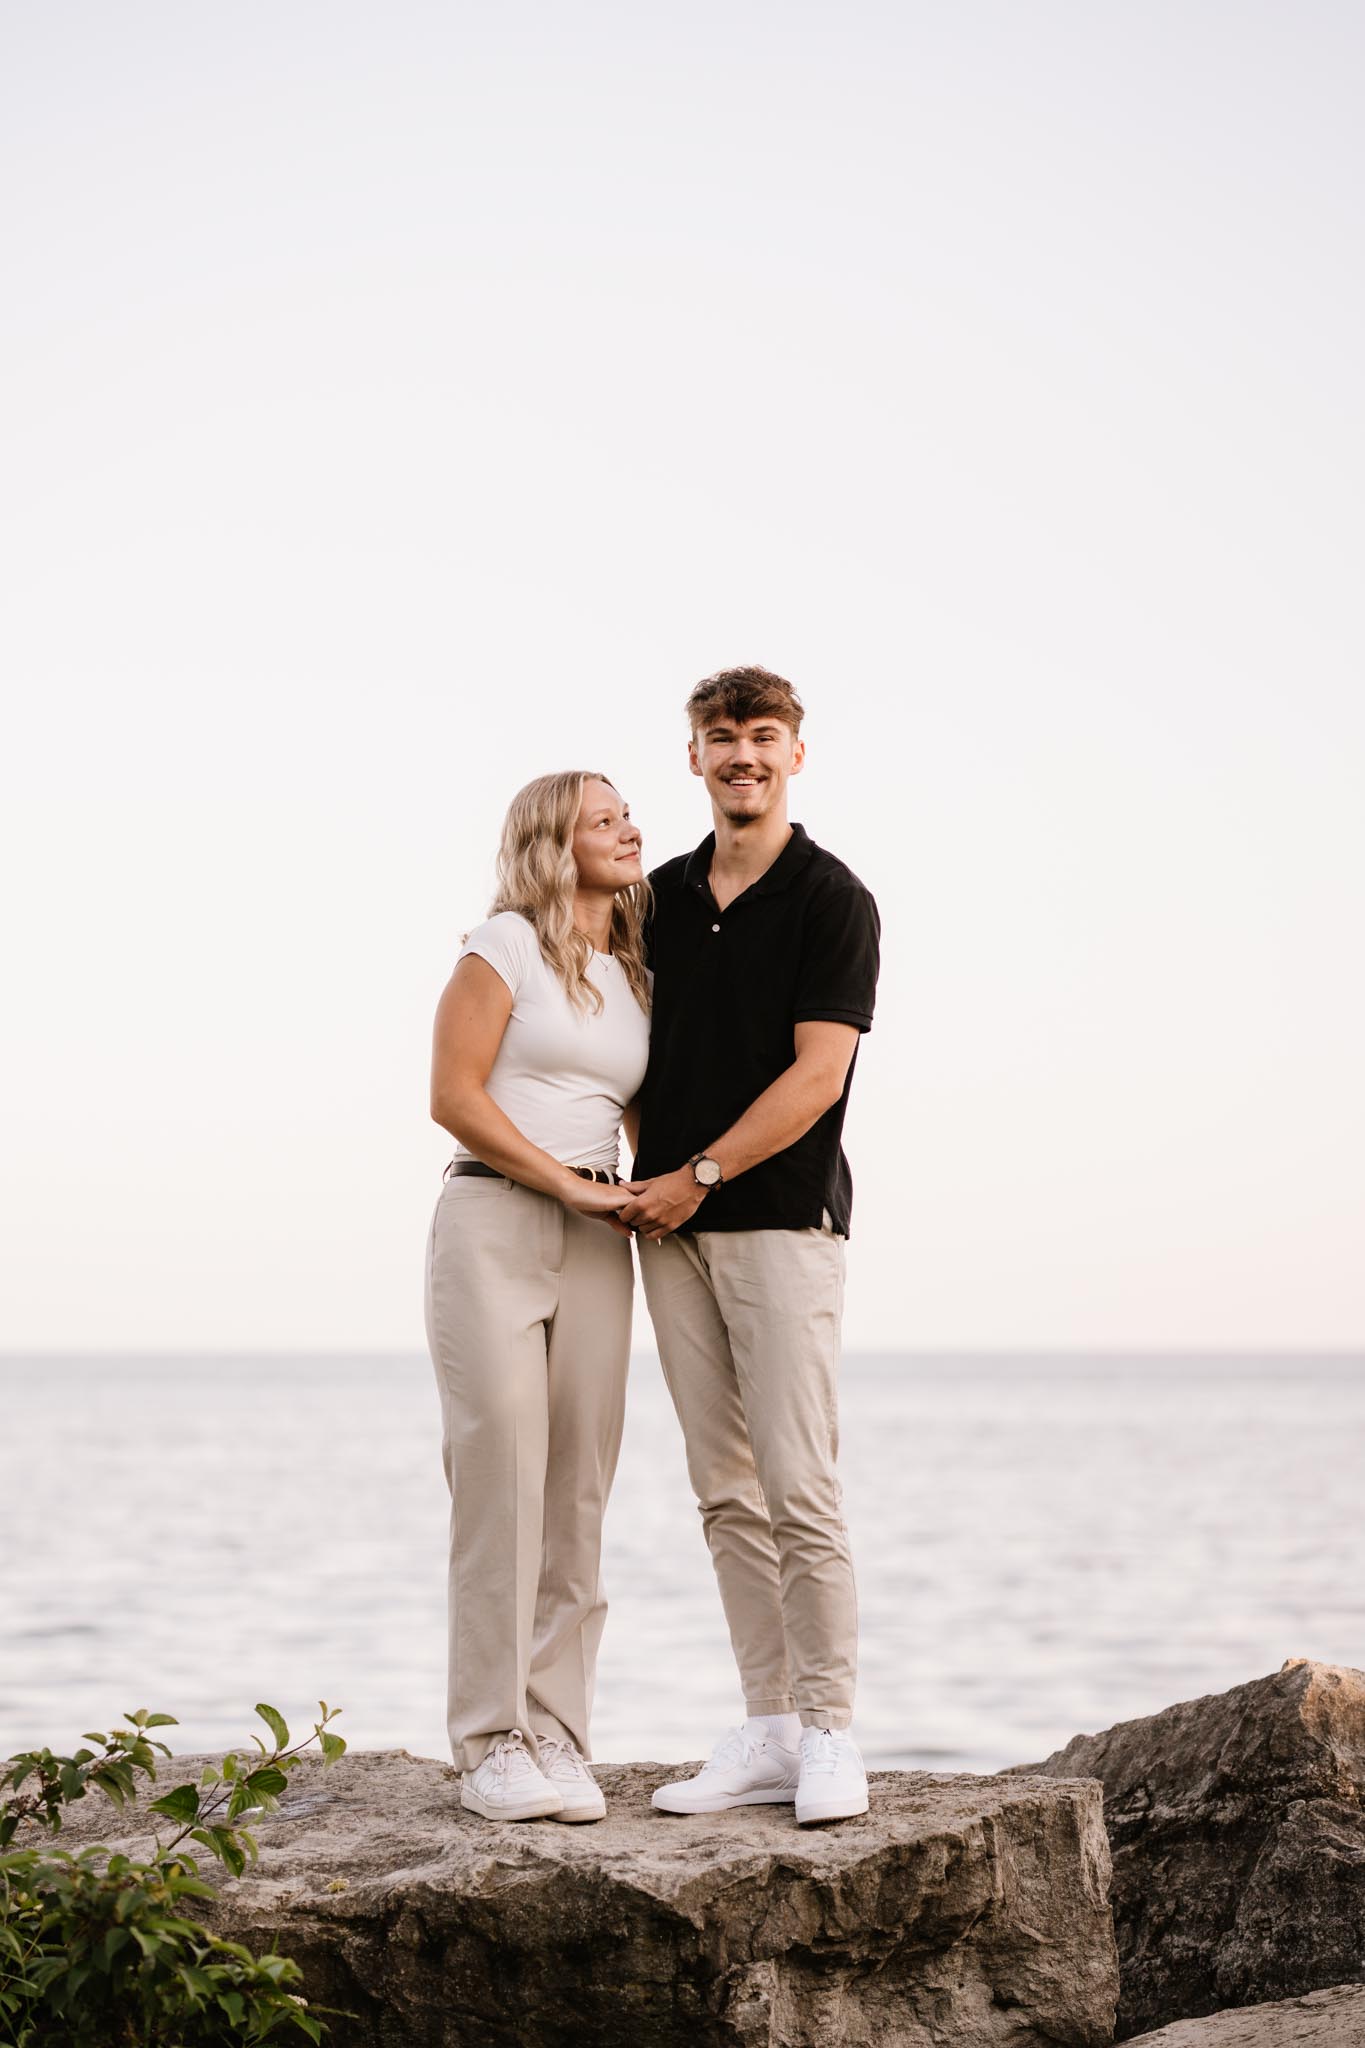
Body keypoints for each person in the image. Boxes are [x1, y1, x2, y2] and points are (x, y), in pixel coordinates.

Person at [620, 666, 880, 1825]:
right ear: (693, 758)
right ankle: (769, 1725)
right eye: (721, 737)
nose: (743, 755)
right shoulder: (658, 899)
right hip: (668, 1231)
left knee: (799, 1485)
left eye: (763, 736)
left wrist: (696, 1173)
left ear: (795, 755)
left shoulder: (833, 897)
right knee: (723, 1489)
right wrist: (645, 1173)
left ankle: (830, 1730)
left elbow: (819, 1075)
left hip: (776, 1217)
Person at [425, 771, 650, 1823]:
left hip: (602, 1239)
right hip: (495, 1221)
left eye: (627, 814)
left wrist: (648, 1192)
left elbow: (638, 1110)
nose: (628, 828)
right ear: (555, 842)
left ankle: (557, 1727)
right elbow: (453, 1094)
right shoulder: (502, 943)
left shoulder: (636, 972)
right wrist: (561, 1179)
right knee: (500, 1468)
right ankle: (488, 1739)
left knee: (579, 1486)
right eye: (604, 819)